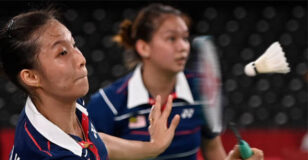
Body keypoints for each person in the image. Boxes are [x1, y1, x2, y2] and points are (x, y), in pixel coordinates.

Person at [0, 9, 181, 160]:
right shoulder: (50, 153)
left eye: (74, 45)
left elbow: (94, 143)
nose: (81, 59)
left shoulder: (59, 106)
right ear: (31, 77)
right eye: (62, 52)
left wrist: (153, 147)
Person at [87, 3, 264, 160]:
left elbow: (212, 148)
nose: (183, 47)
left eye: (185, 38)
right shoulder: (107, 104)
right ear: (143, 47)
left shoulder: (202, 89)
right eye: (172, 38)